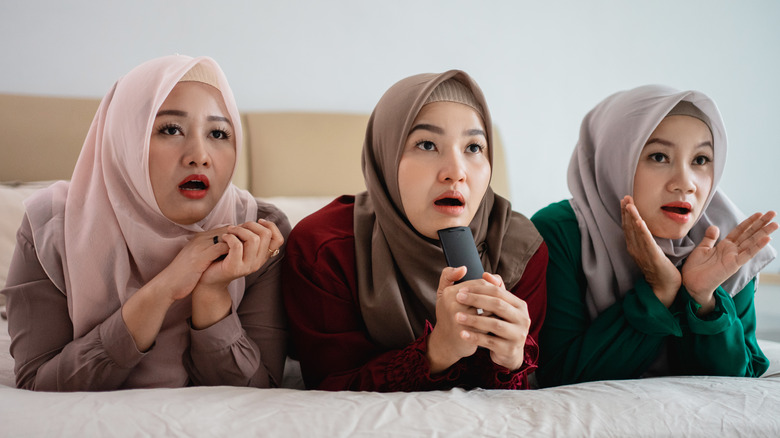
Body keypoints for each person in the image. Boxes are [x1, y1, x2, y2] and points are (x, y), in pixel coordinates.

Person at [1, 55, 290, 391]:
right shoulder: (50, 228)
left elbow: (259, 389)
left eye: (218, 133)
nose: (200, 154)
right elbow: (40, 383)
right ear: (126, 140)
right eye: (170, 129)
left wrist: (211, 293)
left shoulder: (259, 231)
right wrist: (164, 288)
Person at [282, 71, 547, 391]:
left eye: (474, 147)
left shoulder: (519, 249)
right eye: (426, 144)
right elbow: (331, 387)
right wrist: (437, 350)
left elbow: (517, 407)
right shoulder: (323, 249)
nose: (456, 172)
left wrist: (510, 361)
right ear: (385, 156)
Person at [530, 85, 777, 387]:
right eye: (659, 156)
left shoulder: (727, 239)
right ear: (614, 160)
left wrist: (703, 299)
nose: (685, 184)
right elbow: (558, 375)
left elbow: (738, 379)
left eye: (700, 160)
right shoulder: (560, 232)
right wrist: (659, 292)